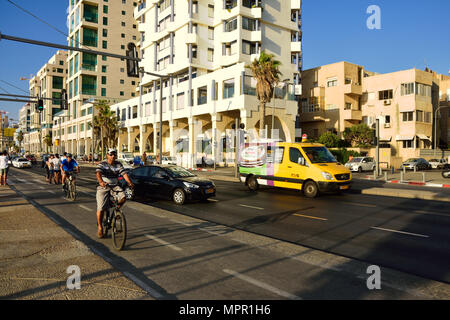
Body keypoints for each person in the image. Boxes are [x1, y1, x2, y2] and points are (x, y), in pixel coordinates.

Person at [95, 148, 134, 238]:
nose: (113, 156)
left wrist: (130, 182)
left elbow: (124, 174)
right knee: (100, 208)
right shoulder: (102, 164)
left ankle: (116, 210)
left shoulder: (118, 164)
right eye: (111, 154)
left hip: (115, 186)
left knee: (123, 197)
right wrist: (101, 182)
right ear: (107, 155)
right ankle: (100, 227)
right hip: (103, 186)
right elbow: (98, 174)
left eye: (114, 154)